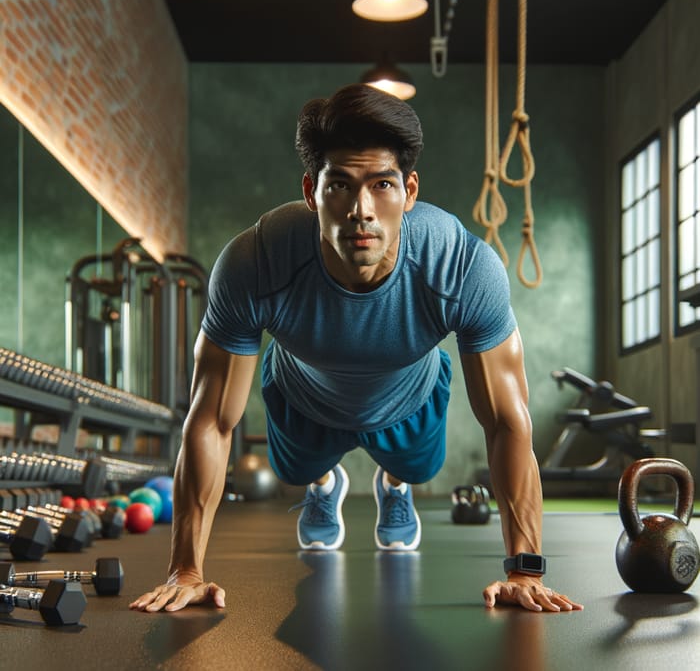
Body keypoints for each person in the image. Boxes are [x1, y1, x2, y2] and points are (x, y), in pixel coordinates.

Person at [130, 83, 582, 615]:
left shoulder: (463, 267)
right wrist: (186, 569)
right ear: (310, 192)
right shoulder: (256, 262)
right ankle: (325, 481)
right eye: (339, 186)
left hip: (409, 398)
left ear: (410, 192)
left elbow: (510, 422)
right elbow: (209, 420)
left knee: (416, 468)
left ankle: (394, 480)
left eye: (382, 185)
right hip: (303, 398)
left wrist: (524, 571)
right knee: (295, 471)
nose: (361, 210)